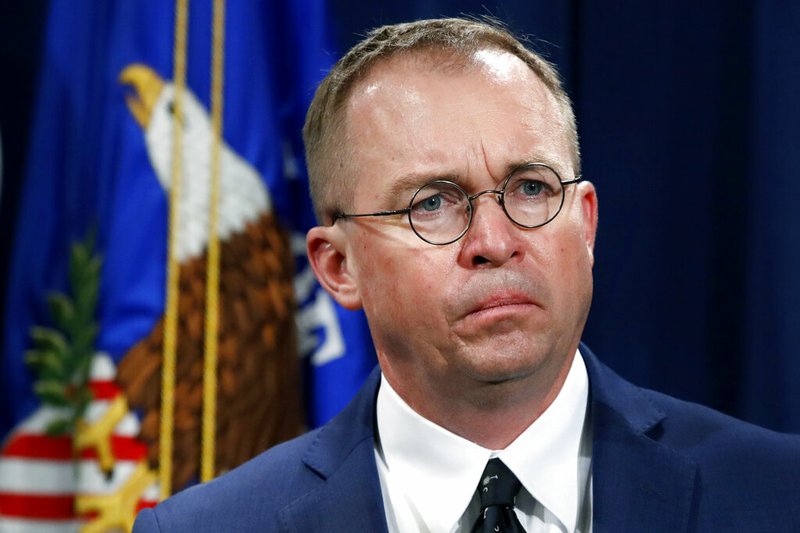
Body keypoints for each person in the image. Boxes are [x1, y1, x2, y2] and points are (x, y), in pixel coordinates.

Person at [133, 17, 800, 532]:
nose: (494, 241)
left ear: (587, 223)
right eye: (432, 203)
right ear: (339, 267)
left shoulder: (777, 496)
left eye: (532, 188)